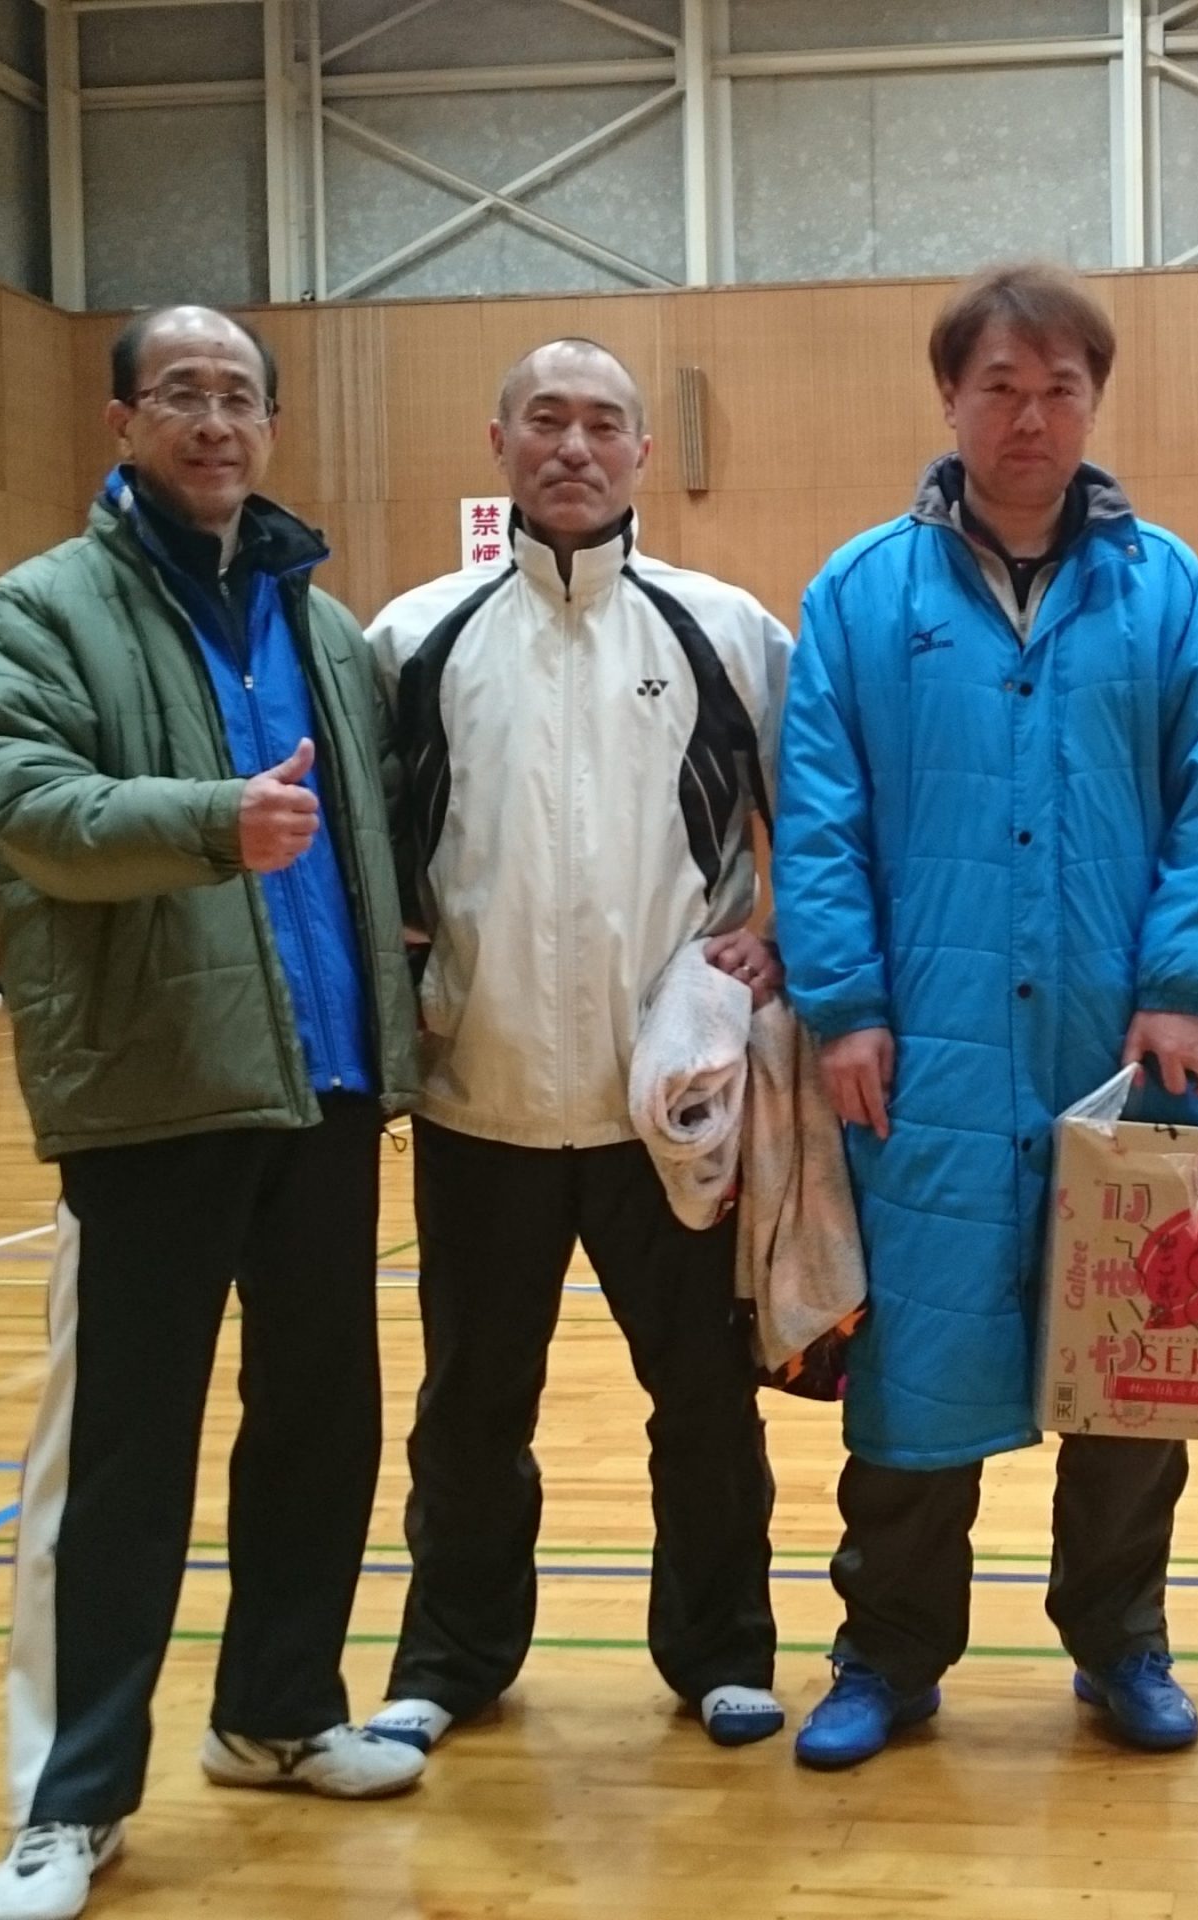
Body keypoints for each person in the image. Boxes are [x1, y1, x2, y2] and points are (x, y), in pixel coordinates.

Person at [0, 303, 427, 1920]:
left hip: (328, 1089)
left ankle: (276, 1715)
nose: (215, 421)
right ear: (122, 421)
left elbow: (378, 834)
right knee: (122, 1462)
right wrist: (216, 820)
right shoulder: (40, 612)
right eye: (181, 393)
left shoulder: (327, 626)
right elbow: (33, 810)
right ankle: (69, 1800)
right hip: (153, 1097)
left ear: (271, 426)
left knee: (319, 1425)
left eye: (239, 396)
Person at [772, 262, 1198, 1769]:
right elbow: (820, 817)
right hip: (926, 1051)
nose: (1029, 417)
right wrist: (846, 1004)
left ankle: (1121, 1643)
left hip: (1125, 1048)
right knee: (917, 1367)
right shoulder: (862, 593)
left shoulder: (1167, 590)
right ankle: (886, 1654)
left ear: (1094, 403)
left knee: (1133, 1357)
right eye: (1000, 388)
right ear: (949, 398)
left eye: (1059, 390)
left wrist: (1178, 985)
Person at [364, 338, 792, 1758]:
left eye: (603, 423)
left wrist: (787, 948)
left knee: (704, 1401)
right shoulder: (412, 639)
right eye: (545, 420)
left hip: (669, 1111)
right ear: (497, 443)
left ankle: (721, 1652)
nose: (573, 446)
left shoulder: (724, 631)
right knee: (471, 1408)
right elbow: (365, 848)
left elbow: (822, 819)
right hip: (478, 1100)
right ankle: (453, 1659)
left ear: (642, 455)